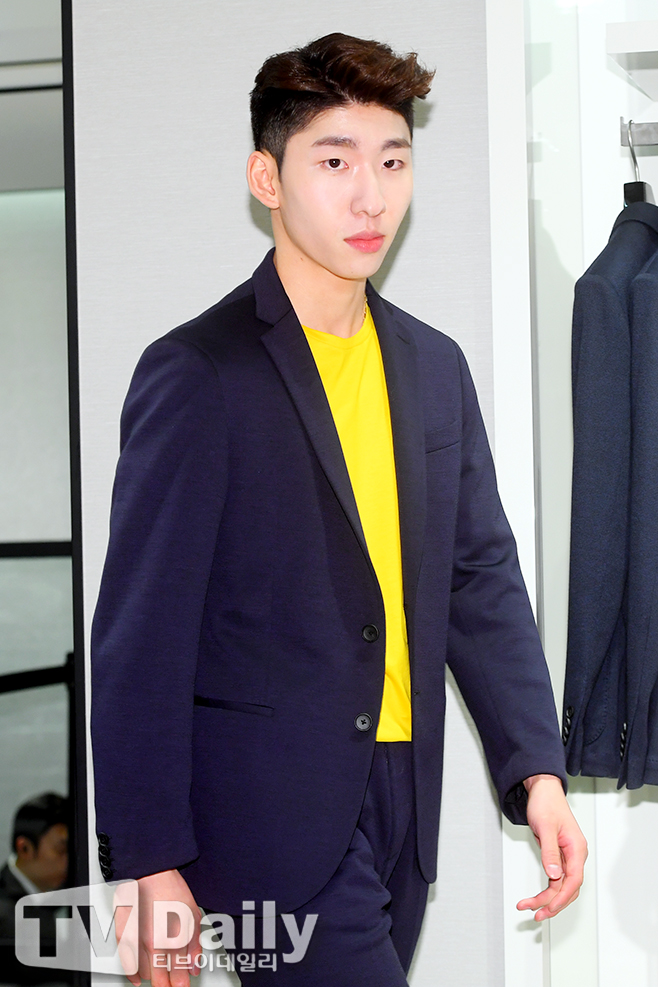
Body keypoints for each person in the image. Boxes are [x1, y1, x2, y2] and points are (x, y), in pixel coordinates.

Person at [90, 32, 587, 987]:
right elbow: (142, 635)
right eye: (335, 162)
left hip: (404, 794)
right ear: (266, 178)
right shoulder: (198, 372)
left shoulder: (434, 366)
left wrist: (538, 772)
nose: (372, 197)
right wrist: (147, 860)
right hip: (262, 814)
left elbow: (478, 576)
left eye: (393, 162)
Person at [0, 793, 71, 986]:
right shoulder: (6, 919)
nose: (70, 860)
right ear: (24, 848)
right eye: (62, 850)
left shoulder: (59, 882)